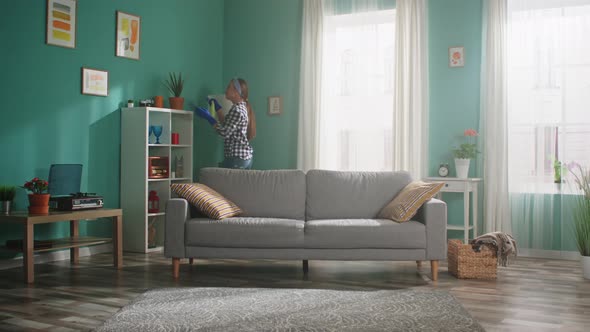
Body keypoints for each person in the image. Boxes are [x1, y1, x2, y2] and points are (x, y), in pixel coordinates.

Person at [195, 78, 256, 169]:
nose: (226, 90)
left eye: (229, 87)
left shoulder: (237, 110)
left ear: (236, 92)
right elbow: (227, 124)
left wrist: (209, 118)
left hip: (237, 158)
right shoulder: (239, 108)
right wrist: (218, 109)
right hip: (242, 158)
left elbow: (224, 132)